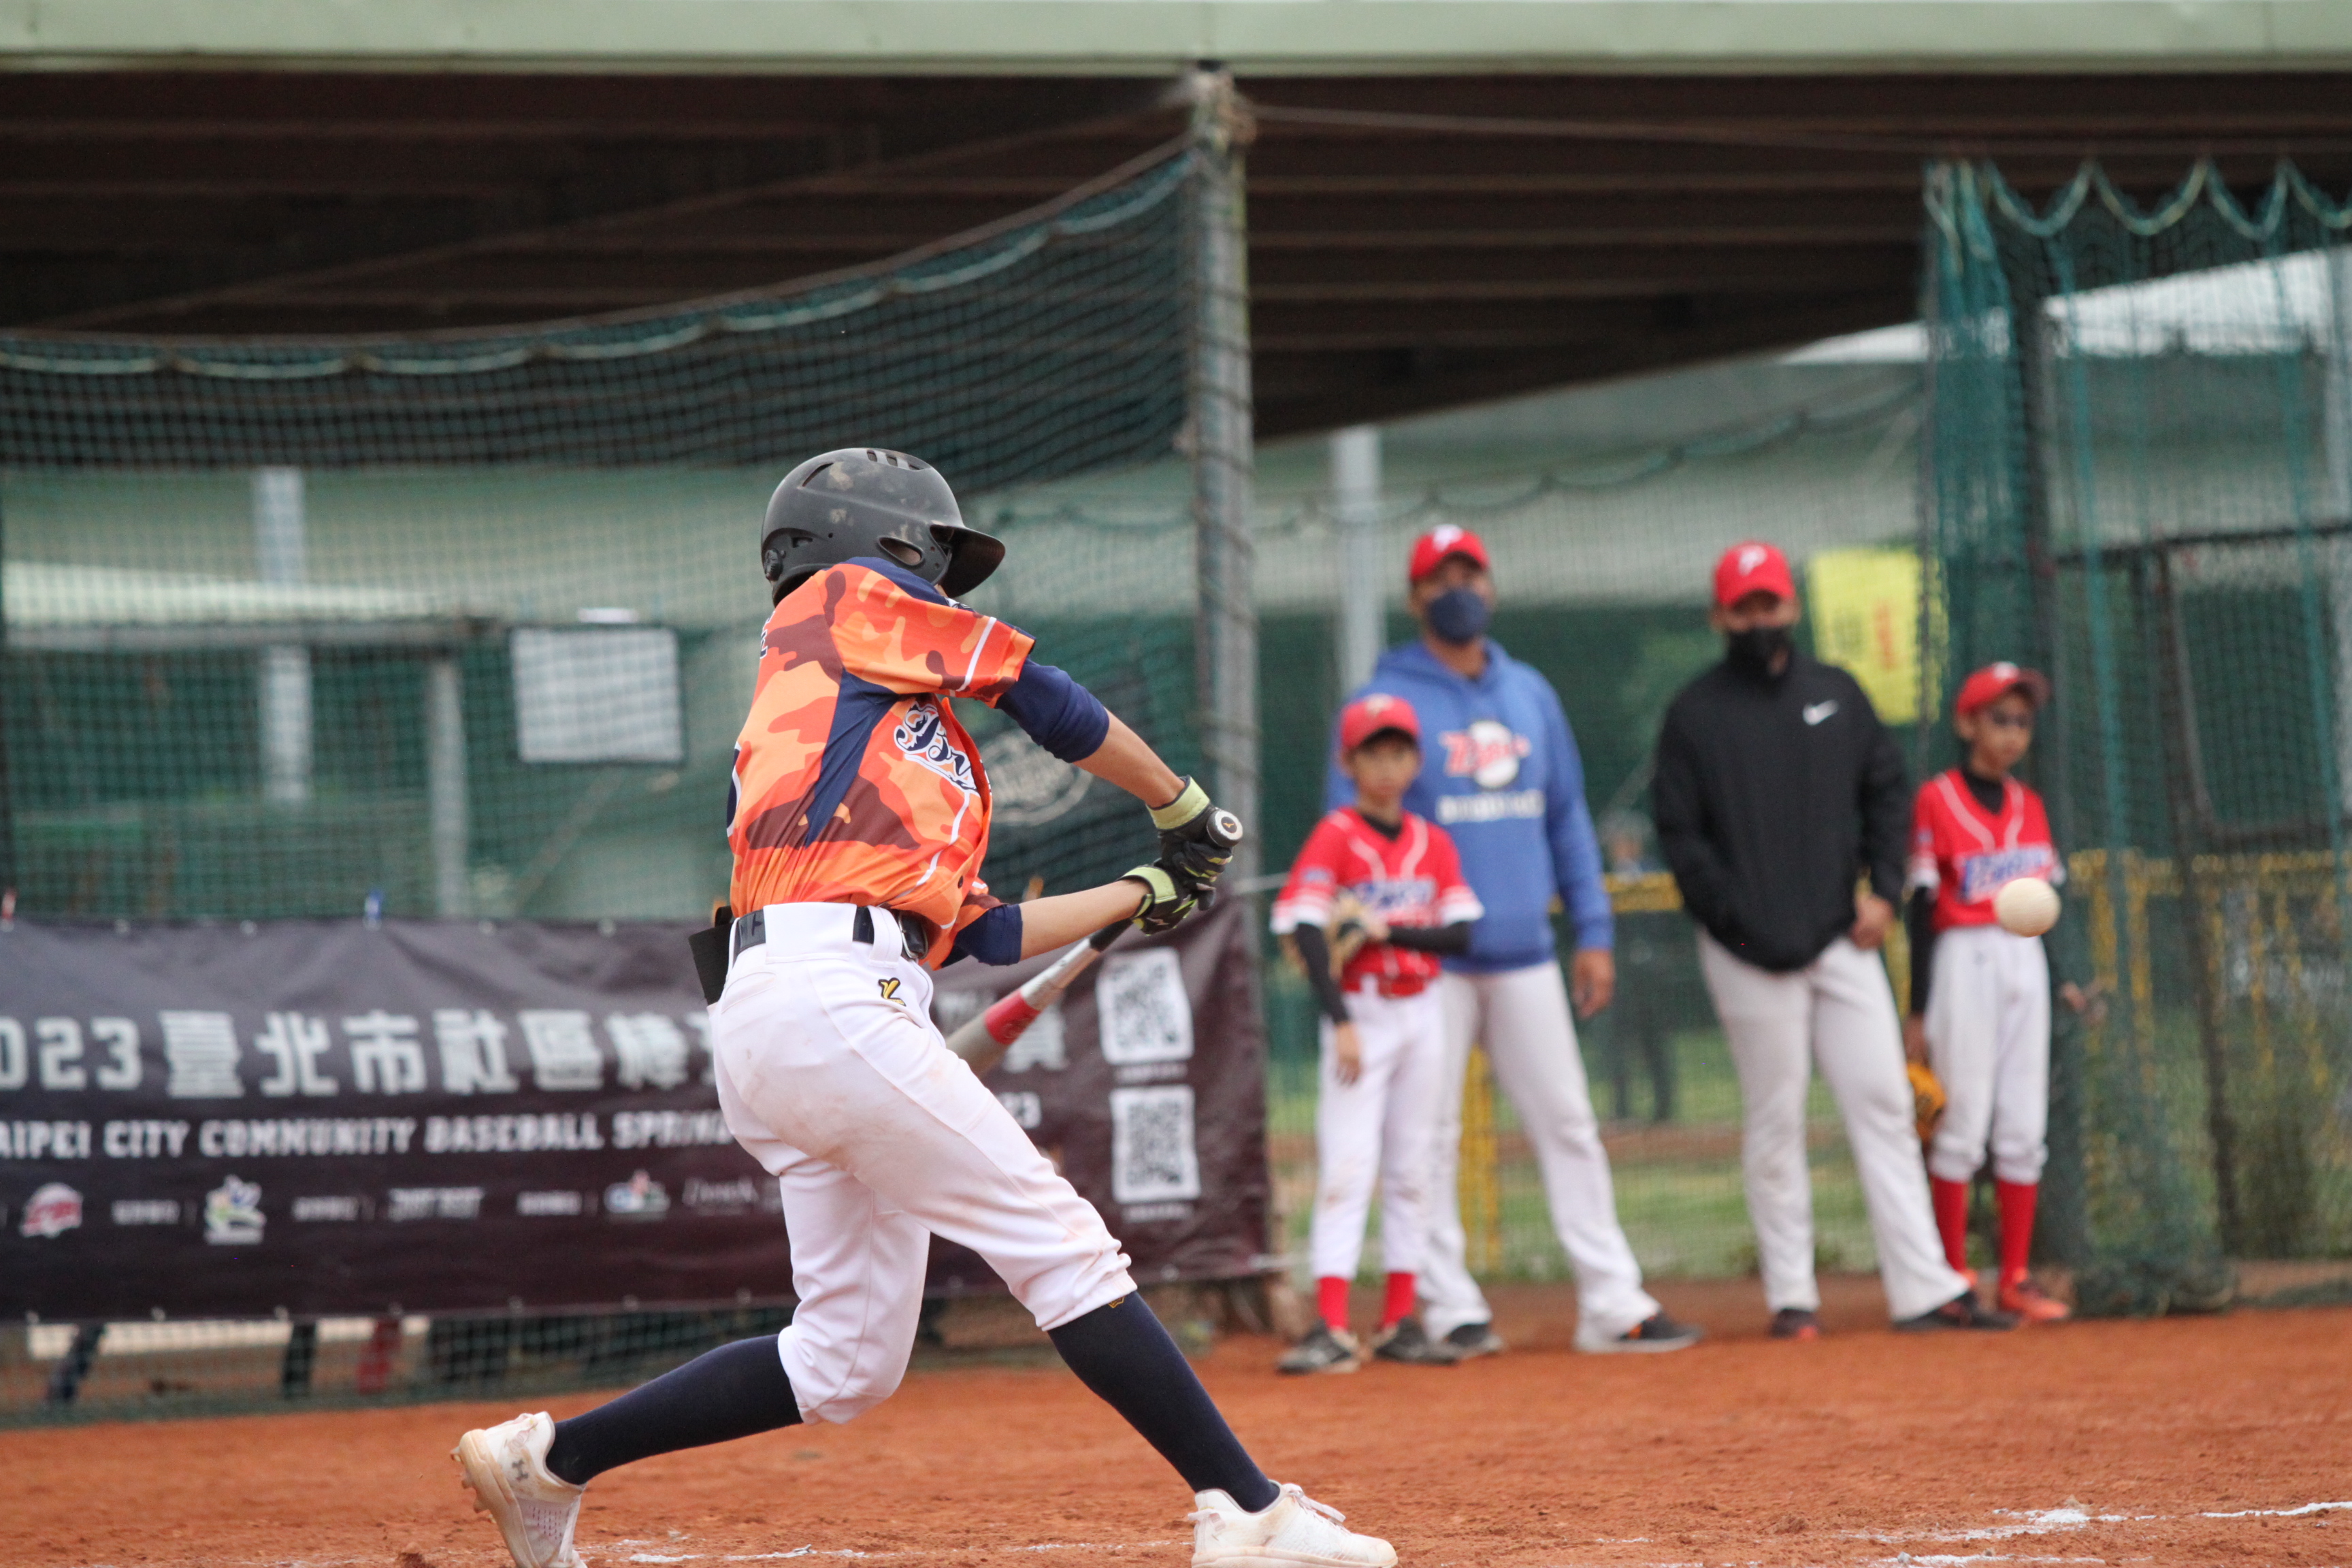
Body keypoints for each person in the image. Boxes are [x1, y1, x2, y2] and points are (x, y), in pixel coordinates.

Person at [452, 448, 1396, 1568]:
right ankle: (1246, 1509)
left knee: (845, 1360)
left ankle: (550, 1461)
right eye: (931, 559)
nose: (941, 584)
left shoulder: (850, 717)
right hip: (826, 996)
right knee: (1063, 1248)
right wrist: (1179, 804)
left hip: (805, 1002)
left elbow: (981, 931)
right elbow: (1040, 692)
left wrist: (1143, 891)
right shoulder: (841, 602)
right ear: (880, 543)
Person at [1331, 524, 1701, 1358]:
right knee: (1427, 1137)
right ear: (1415, 597)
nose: (1458, 589)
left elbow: (1566, 816)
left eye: (1470, 574)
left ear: (1491, 587)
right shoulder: (1384, 700)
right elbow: (1346, 825)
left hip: (1527, 950)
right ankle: (1449, 1307)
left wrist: (1593, 930)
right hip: (1427, 961)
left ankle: (1613, 1303)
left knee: (1570, 1124)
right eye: (1440, 578)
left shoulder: (1529, 691)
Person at [1651, 540, 2012, 1338]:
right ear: (1719, 616)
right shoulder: (1694, 715)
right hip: (1747, 953)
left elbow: (1887, 792)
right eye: (1743, 608)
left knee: (1885, 1103)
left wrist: (1884, 890)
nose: (1759, 619)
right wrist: (1737, 924)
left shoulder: (1836, 694)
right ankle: (1793, 1299)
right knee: (1775, 1117)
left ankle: (1924, 1289)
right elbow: (1681, 838)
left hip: (1840, 938)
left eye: (1770, 603)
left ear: (1793, 606)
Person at [1272, 693, 1484, 1373]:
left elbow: (1461, 933)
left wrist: (1384, 929)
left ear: (1416, 762)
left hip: (1423, 1011)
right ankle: (1332, 1326)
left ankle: (1398, 1320)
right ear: (1349, 762)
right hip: (1361, 1012)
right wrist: (1339, 1020)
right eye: (1373, 754)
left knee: (1413, 1165)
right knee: (1348, 1165)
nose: (1387, 766)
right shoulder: (1336, 835)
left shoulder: (1434, 842)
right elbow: (1303, 925)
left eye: (1398, 753)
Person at [1905, 662, 2087, 1324]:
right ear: (1967, 723)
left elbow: (2049, 902)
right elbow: (1922, 909)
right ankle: (1953, 1277)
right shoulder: (1937, 799)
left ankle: (2015, 1277)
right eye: (1999, 719)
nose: (2012, 733)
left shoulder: (2029, 805)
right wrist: (1918, 1009)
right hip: (1964, 959)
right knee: (1961, 1121)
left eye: (2022, 722)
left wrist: (2063, 977)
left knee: (2022, 1123)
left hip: (2024, 960)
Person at [1598, 812, 1677, 1126]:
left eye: (1620, 842)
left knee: (1654, 1040)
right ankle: (1622, 1110)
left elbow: (1664, 924)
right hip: (1618, 970)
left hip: (1650, 970)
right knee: (1615, 1041)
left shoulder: (1654, 874)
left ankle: (1663, 1112)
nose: (1615, 848)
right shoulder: (1605, 877)